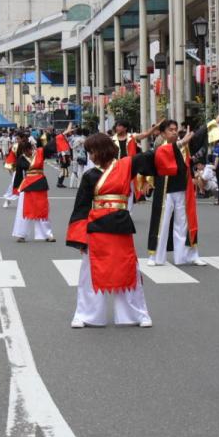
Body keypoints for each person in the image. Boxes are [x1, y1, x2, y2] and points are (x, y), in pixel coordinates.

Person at [66, 133, 154, 328]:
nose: (89, 156)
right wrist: (80, 239)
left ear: (102, 150)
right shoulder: (90, 176)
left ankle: (137, 314)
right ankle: (85, 314)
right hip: (96, 228)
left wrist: (179, 143)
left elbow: (151, 157)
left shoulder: (125, 165)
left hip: (120, 224)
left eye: (92, 151)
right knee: (90, 272)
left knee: (128, 268)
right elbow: (81, 207)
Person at [146, 118, 219, 266]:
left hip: (182, 189)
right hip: (165, 190)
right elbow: (163, 155)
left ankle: (189, 255)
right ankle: (154, 256)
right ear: (162, 133)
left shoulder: (184, 145)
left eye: (175, 129)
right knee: (162, 222)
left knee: (184, 223)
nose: (174, 132)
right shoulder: (160, 146)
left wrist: (212, 123)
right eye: (170, 130)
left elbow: (197, 135)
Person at [12, 125, 74, 243]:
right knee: (24, 210)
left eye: (29, 149)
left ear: (32, 147)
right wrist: (16, 189)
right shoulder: (21, 159)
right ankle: (21, 234)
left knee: (42, 209)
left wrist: (64, 133)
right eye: (25, 151)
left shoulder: (40, 153)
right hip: (27, 186)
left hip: (40, 184)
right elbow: (19, 175)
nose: (28, 152)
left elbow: (52, 144)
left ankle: (47, 234)